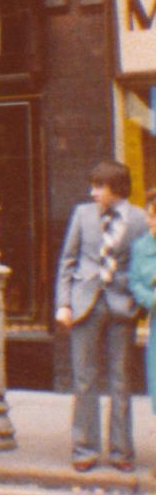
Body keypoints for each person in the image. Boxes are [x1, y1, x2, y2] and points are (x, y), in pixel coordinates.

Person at [55, 159, 147, 473]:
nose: (92, 192)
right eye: (92, 186)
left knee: (121, 381)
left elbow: (145, 261)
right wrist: (63, 303)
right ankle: (85, 449)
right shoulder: (81, 214)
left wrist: (140, 304)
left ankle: (121, 452)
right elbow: (67, 261)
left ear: (116, 188)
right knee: (84, 379)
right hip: (84, 304)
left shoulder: (138, 218)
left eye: (99, 187)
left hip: (122, 306)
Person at [129, 189, 156, 480]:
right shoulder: (141, 247)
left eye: (153, 216)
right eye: (150, 215)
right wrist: (152, 299)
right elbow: (136, 283)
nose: (150, 221)